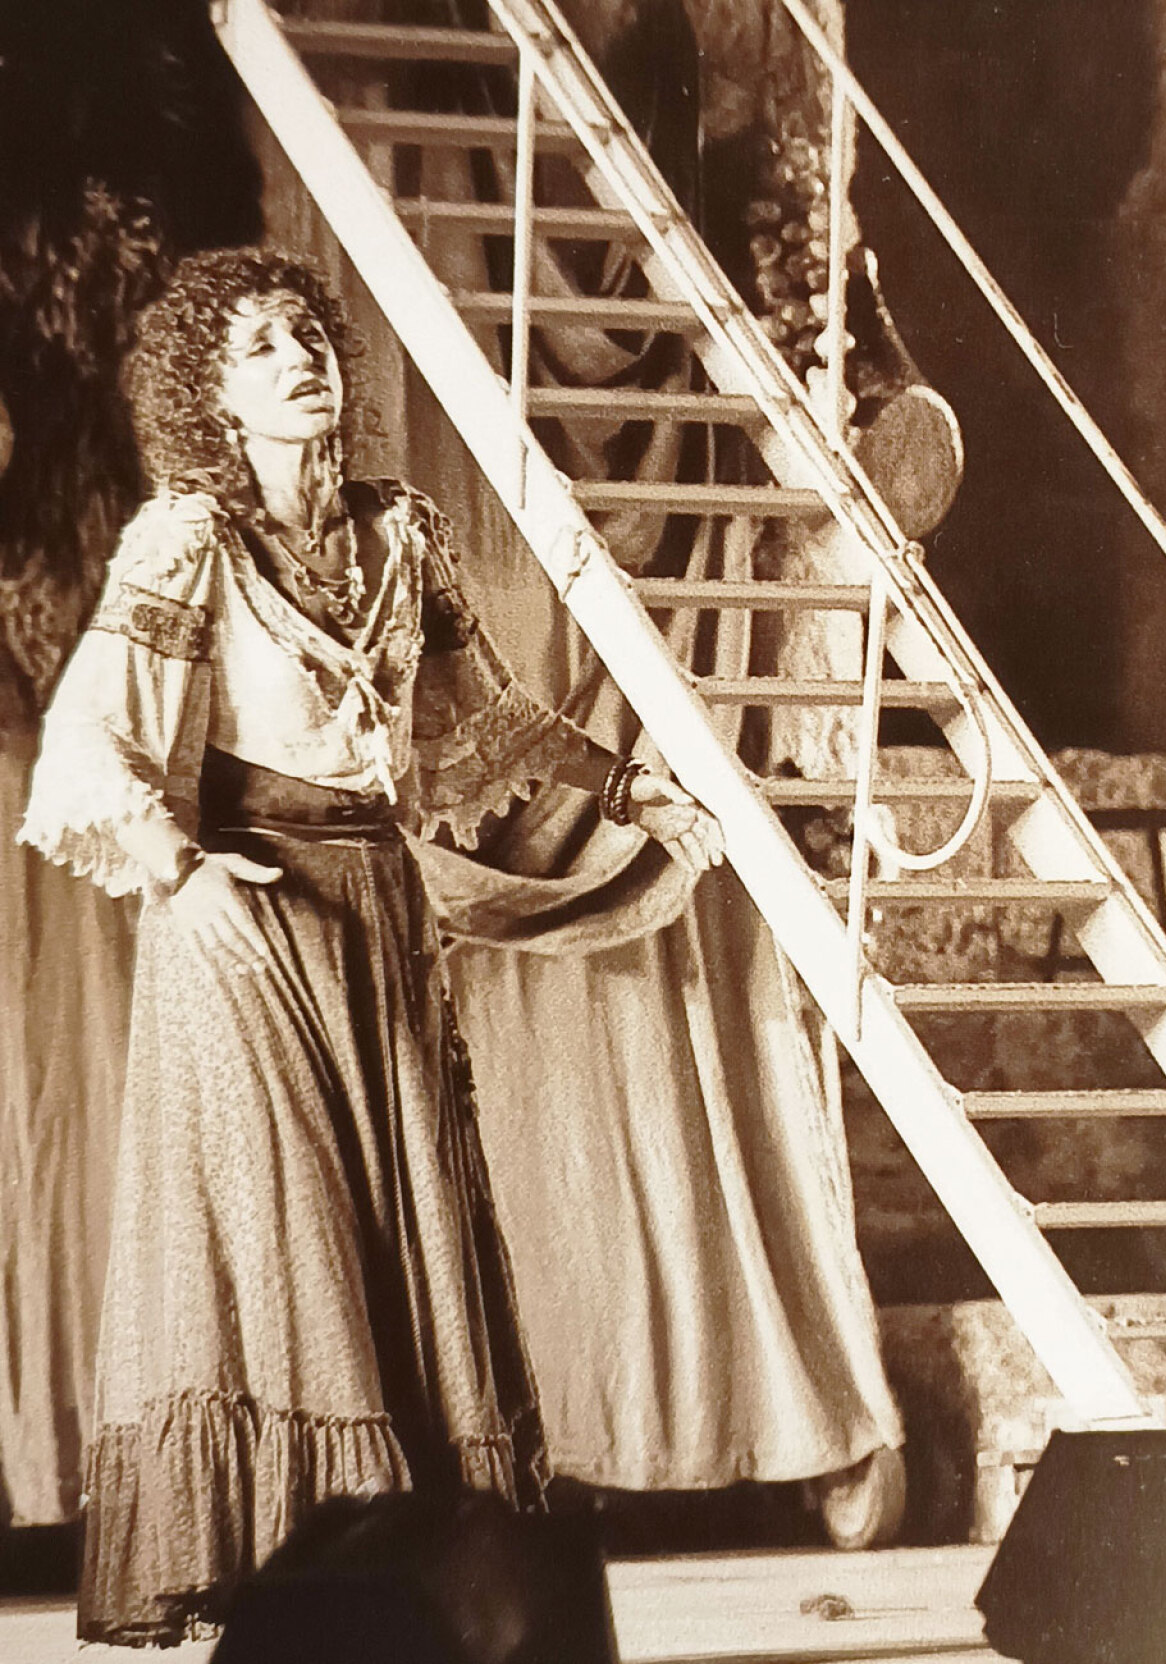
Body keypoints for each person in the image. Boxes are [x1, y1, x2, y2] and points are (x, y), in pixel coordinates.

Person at [17, 247, 721, 1646]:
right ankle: (295, 1602)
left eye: (308, 334)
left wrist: (632, 788)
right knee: (294, 1244)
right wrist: (177, 871)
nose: (301, 360)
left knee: (407, 1235)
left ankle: (407, 1600)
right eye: (259, 347)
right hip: (248, 920)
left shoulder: (399, 531)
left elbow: (492, 717)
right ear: (213, 399)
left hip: (378, 911)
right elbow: (90, 736)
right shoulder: (189, 539)